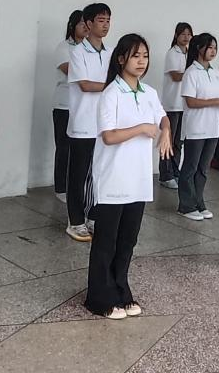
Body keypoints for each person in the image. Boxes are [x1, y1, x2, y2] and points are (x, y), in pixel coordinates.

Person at [86, 33, 172, 319]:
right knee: (106, 241)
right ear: (121, 59)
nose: (141, 61)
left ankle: (121, 289)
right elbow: (109, 136)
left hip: (138, 179)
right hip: (113, 178)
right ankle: (99, 298)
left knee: (127, 240)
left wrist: (166, 131)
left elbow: (162, 116)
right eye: (135, 56)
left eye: (145, 56)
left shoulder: (149, 93)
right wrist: (141, 129)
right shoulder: (111, 93)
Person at [65, 3, 112, 241]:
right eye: (101, 20)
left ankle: (93, 216)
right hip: (83, 123)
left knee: (98, 173)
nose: (105, 25)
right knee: (78, 174)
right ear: (89, 23)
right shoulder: (77, 52)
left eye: (108, 20)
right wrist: (113, 86)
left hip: (104, 124)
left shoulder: (111, 52)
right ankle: (75, 221)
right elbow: (85, 85)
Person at [178, 33, 219, 221]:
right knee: (190, 167)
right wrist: (218, 101)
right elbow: (191, 102)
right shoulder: (191, 73)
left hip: (212, 128)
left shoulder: (216, 73)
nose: (213, 51)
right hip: (196, 128)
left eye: (215, 47)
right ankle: (186, 205)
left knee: (203, 168)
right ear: (199, 48)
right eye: (209, 47)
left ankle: (198, 202)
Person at [53, 10, 86, 202]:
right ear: (72, 25)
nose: (85, 27)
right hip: (64, 104)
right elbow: (71, 71)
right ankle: (61, 188)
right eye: (81, 23)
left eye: (87, 23)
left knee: (80, 148)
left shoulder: (90, 48)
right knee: (64, 147)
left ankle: (76, 186)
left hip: (84, 106)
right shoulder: (63, 47)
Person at [158, 23, 192, 189]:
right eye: (183, 34)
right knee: (168, 141)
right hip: (172, 104)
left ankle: (175, 171)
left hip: (184, 104)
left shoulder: (189, 54)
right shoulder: (172, 53)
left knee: (178, 142)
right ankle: (165, 175)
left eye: (188, 34)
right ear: (176, 35)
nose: (186, 37)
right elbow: (176, 76)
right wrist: (193, 74)